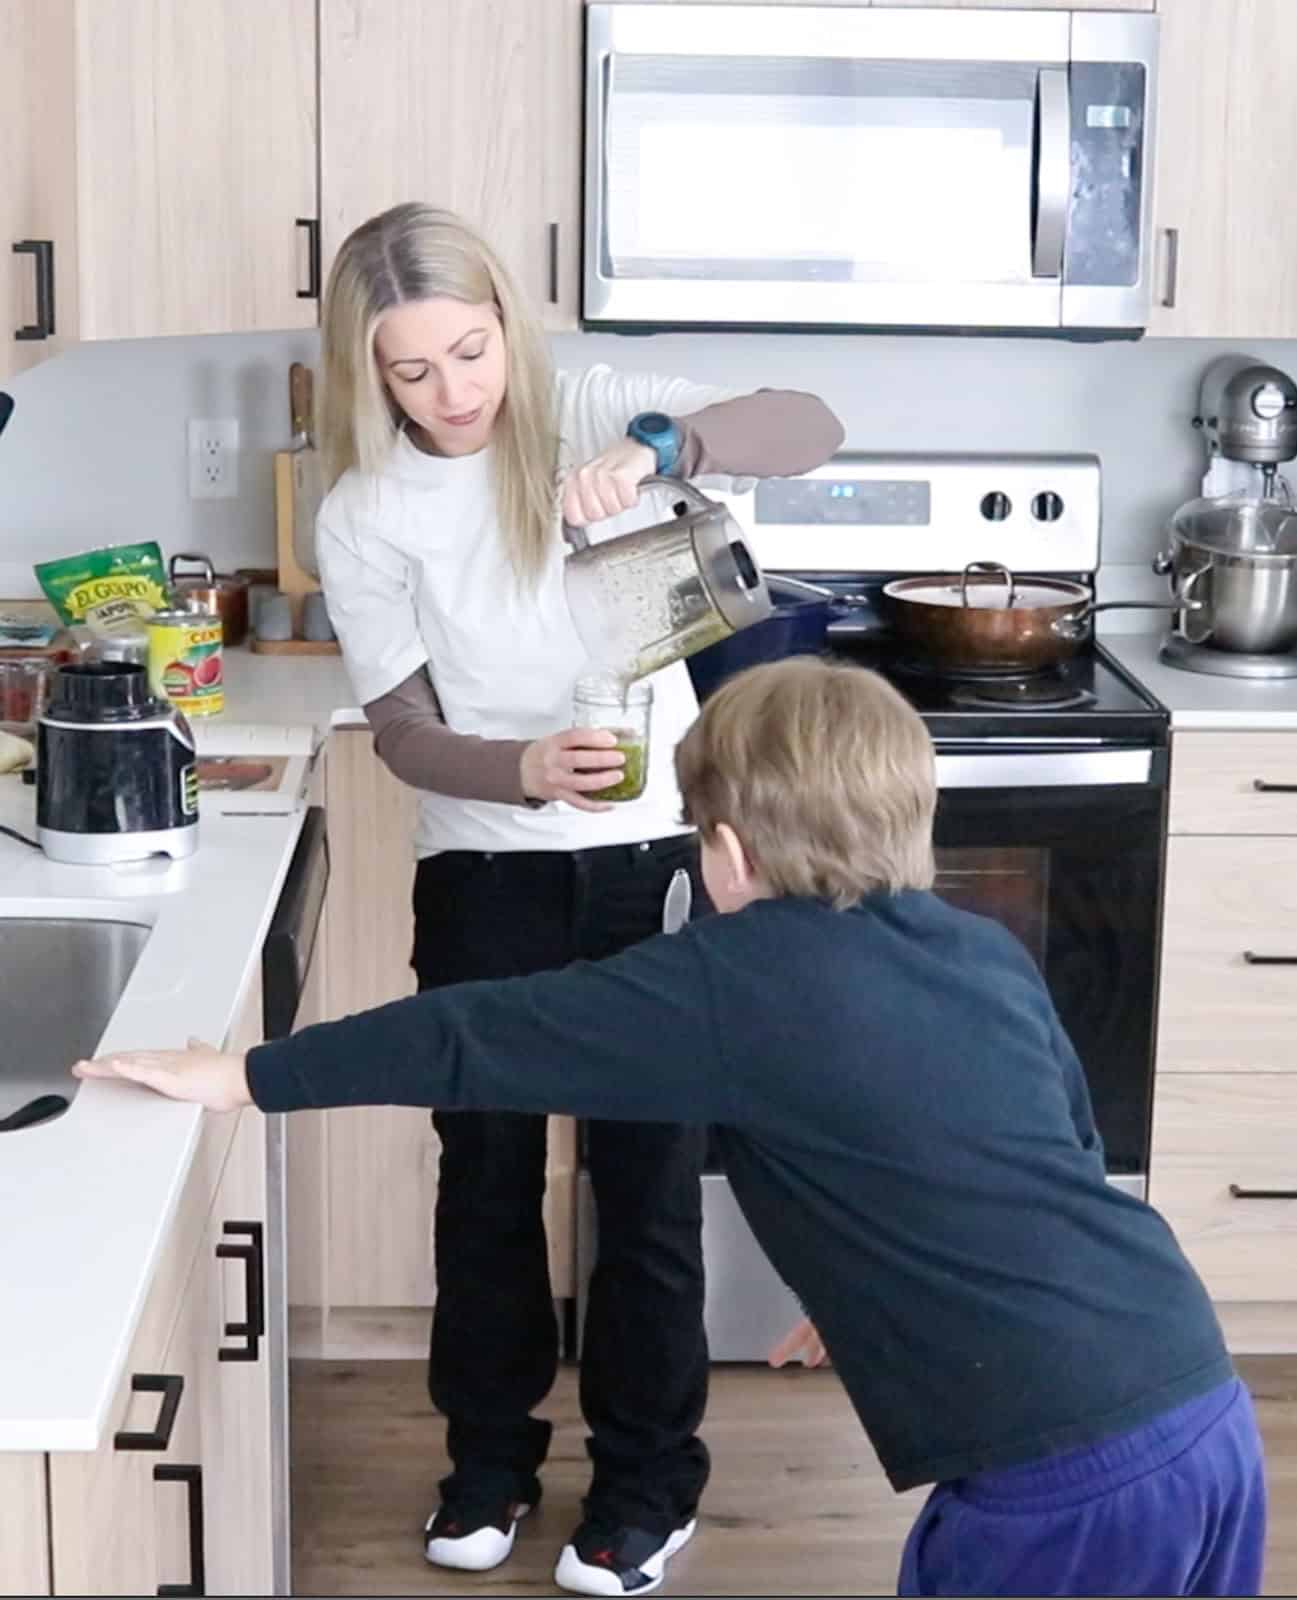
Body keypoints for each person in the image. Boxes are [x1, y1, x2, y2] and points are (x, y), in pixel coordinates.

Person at [78, 657, 1267, 1599]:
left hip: (1058, 1476)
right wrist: (877, 1276)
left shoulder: (728, 977)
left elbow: (473, 1035)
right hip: (1195, 1391)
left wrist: (245, 1070)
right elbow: (1051, 1138)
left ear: (731, 854)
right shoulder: (973, 943)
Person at [305, 201, 844, 1592]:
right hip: (481, 872)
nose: (452, 392)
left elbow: (811, 422)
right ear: (366, 372)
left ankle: (644, 1488)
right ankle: (486, 1467)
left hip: (649, 863)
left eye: (470, 351)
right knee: (484, 1184)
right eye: (410, 370)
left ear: (505, 325)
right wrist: (523, 765)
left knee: (643, 1186)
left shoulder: (591, 400)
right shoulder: (364, 512)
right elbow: (408, 735)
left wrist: (659, 449)